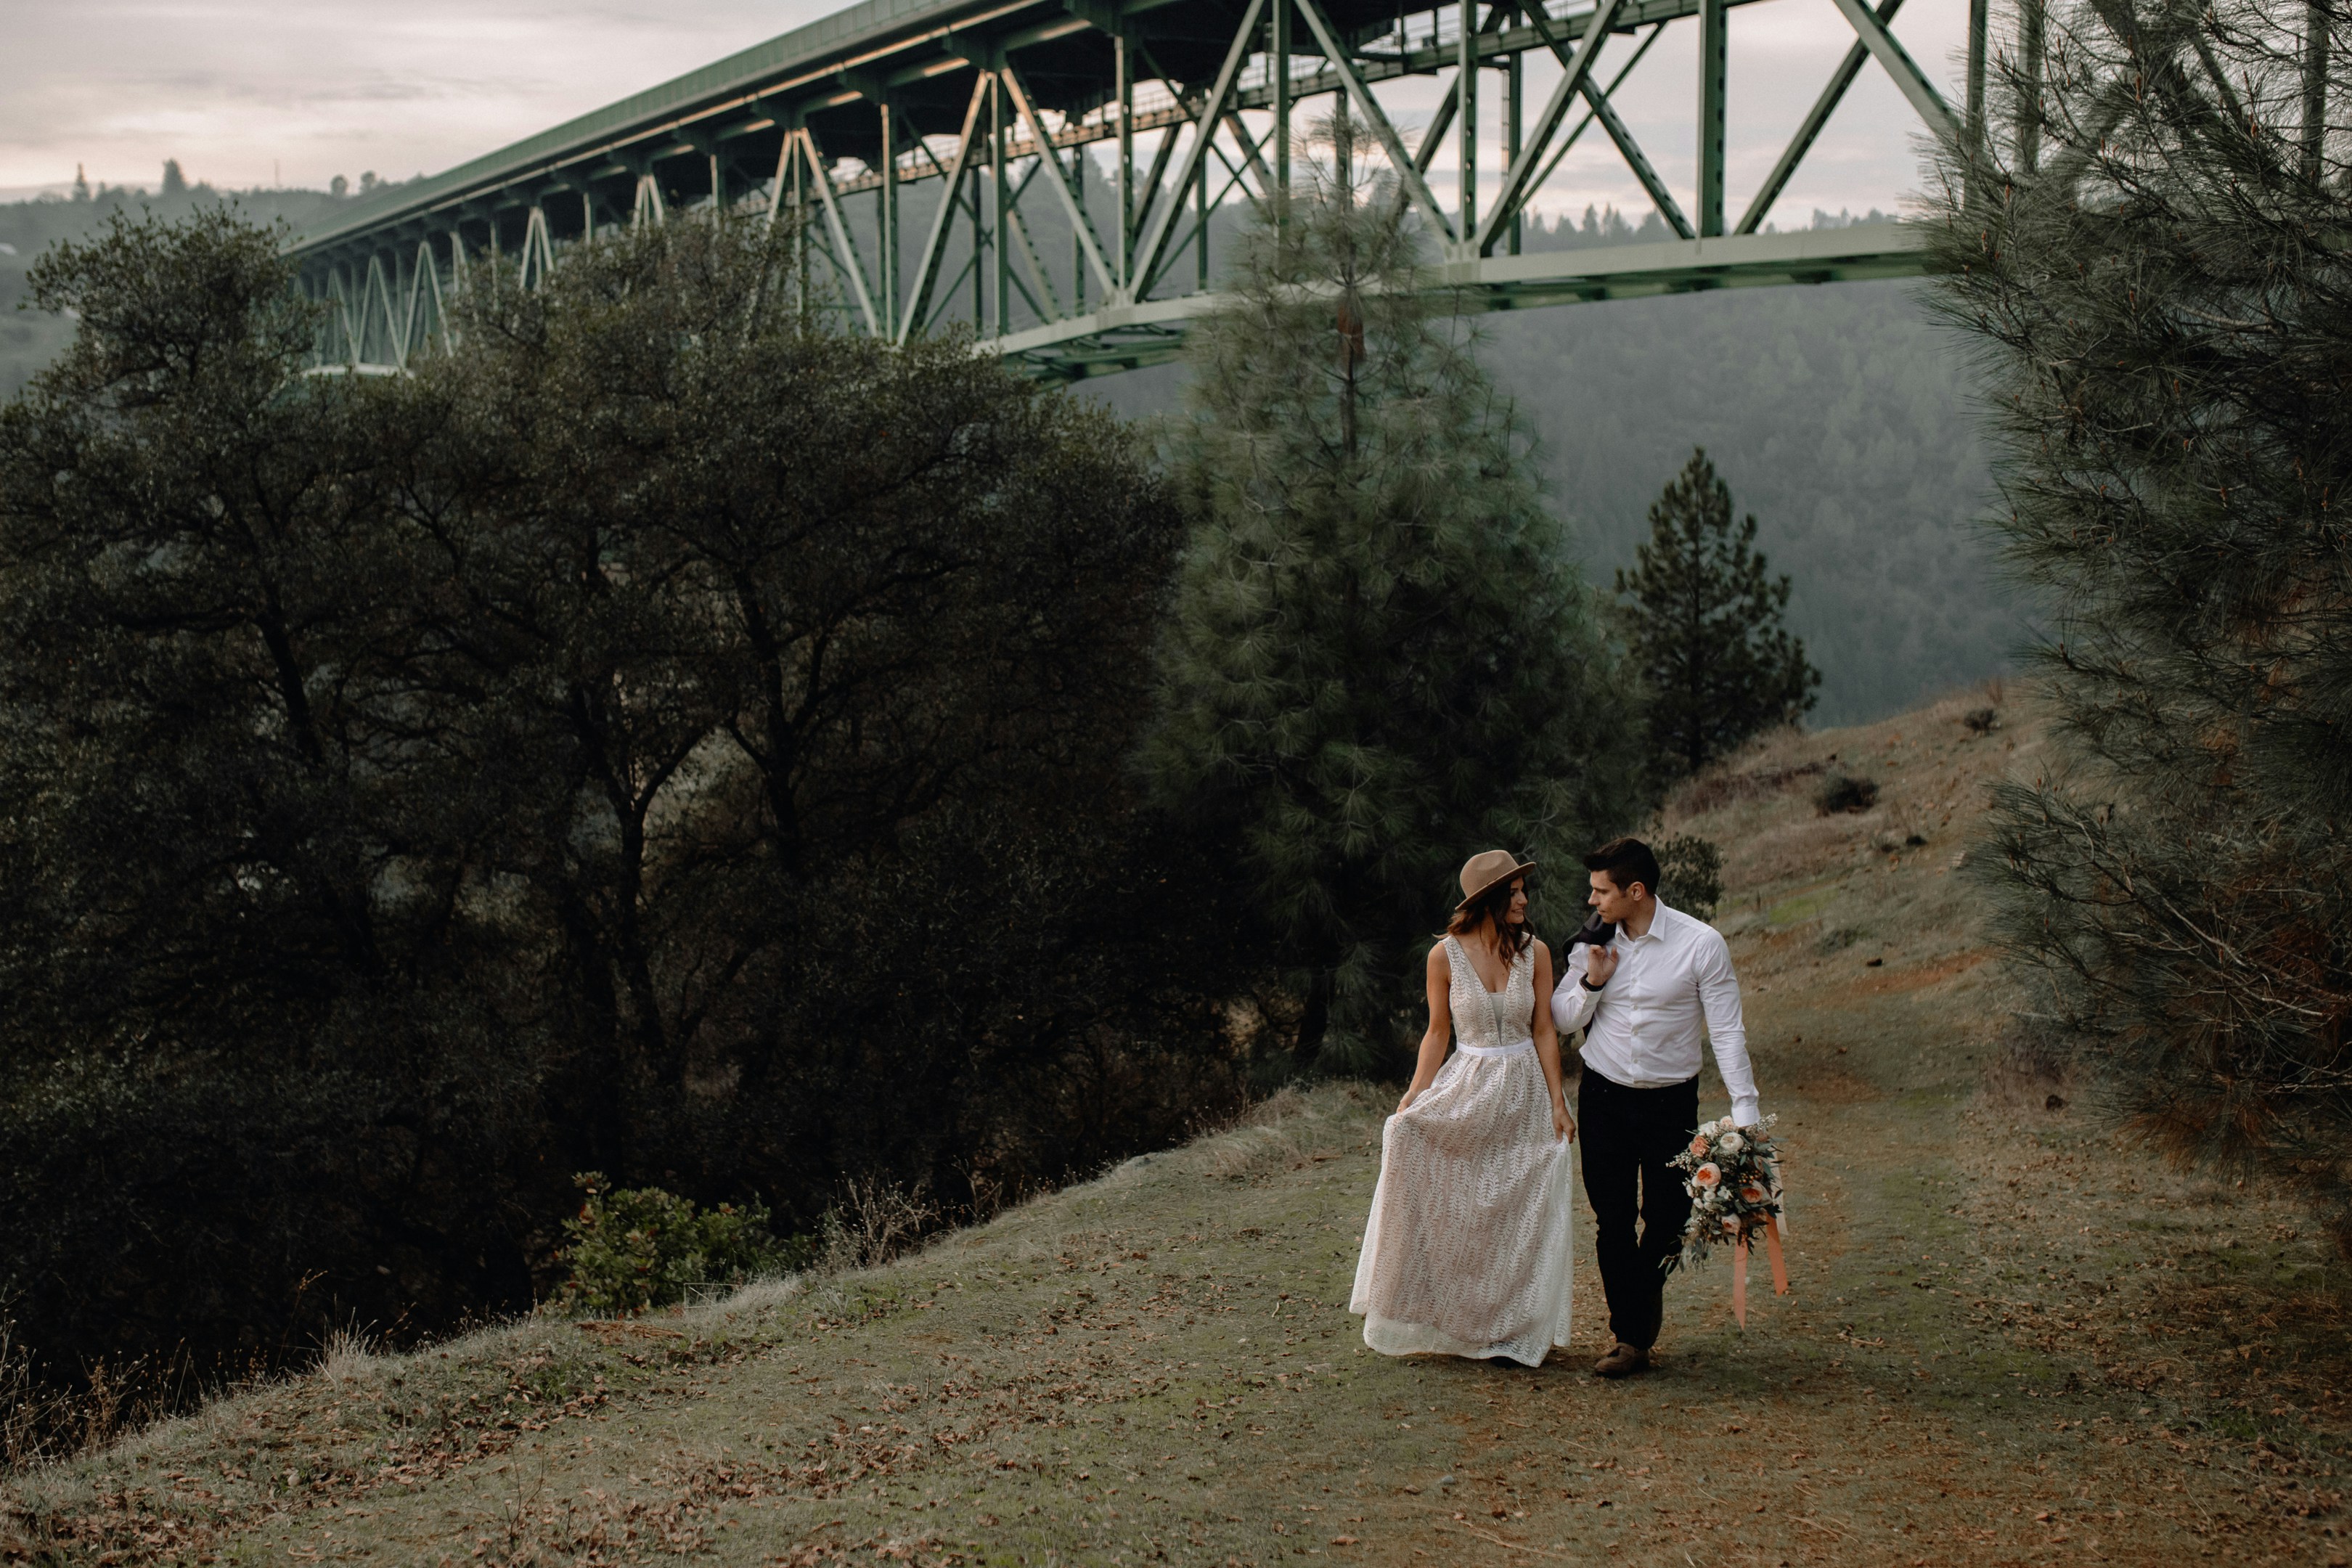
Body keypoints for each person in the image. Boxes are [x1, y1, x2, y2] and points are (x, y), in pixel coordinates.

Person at [1350, 850, 1577, 1366]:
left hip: (1523, 1089)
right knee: (1454, 1189)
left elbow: (1544, 1029)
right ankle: (1460, 1321)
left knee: (1515, 1205)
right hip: (1469, 1085)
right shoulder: (1443, 956)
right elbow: (1437, 1034)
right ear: (1490, 900)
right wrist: (1412, 1098)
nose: (1523, 899)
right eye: (1514, 891)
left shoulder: (1534, 952)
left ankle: (1511, 1327)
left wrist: (1558, 1104)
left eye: (1523, 890)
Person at [1551, 836, 1762, 1379]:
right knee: (1613, 1220)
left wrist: (1745, 1108)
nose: (1593, 900)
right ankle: (1630, 1338)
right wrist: (1594, 982)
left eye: (1602, 891)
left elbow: (1727, 1030)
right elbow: (1561, 1018)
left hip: (1671, 1103)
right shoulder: (1591, 942)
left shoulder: (1701, 944)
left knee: (1670, 1217)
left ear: (1636, 891)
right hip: (1603, 1096)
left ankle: (1639, 1299)